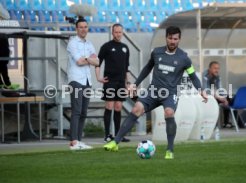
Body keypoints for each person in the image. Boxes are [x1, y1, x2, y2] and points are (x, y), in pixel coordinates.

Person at [104, 26, 208, 159]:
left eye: (175, 39)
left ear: (179, 40)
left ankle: (170, 150)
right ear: (166, 38)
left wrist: (201, 91)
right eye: (170, 38)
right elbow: (147, 68)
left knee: (169, 112)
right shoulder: (157, 53)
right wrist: (135, 84)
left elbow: (193, 76)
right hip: (153, 91)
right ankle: (115, 142)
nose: (172, 41)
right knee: (137, 108)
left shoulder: (184, 58)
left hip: (170, 93)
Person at [67, 18, 99, 150]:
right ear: (76, 29)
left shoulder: (90, 44)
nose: (83, 29)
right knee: (77, 111)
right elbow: (79, 62)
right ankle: (74, 141)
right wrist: (89, 59)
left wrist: (87, 59)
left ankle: (79, 141)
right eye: (81, 27)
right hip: (76, 80)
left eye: (85, 27)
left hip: (87, 80)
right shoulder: (72, 43)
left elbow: (97, 62)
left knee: (84, 112)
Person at [95, 23, 130, 143]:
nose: (118, 34)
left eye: (120, 32)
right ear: (112, 32)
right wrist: (98, 77)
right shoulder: (106, 46)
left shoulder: (125, 48)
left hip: (121, 82)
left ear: (122, 33)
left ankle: (118, 135)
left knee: (119, 107)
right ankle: (107, 135)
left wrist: (127, 83)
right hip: (110, 81)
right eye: (116, 32)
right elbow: (97, 63)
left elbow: (126, 68)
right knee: (109, 106)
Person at [202, 61, 231, 128]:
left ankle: (226, 123)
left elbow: (220, 89)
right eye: (215, 68)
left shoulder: (217, 76)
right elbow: (207, 90)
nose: (217, 70)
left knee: (229, 98)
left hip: (214, 96)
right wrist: (219, 97)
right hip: (203, 97)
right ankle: (212, 123)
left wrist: (224, 98)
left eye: (218, 68)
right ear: (209, 69)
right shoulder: (204, 76)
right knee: (212, 99)